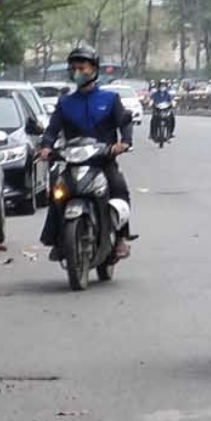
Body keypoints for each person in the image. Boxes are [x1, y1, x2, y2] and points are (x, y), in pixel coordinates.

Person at [38, 43, 136, 259]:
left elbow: (124, 122)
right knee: (56, 191)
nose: (78, 72)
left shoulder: (110, 100)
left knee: (119, 187)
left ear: (94, 69)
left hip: (103, 160)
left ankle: (120, 237)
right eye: (74, 68)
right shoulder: (65, 103)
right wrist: (46, 147)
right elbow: (52, 130)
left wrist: (124, 142)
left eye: (83, 68)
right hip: (73, 161)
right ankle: (57, 238)